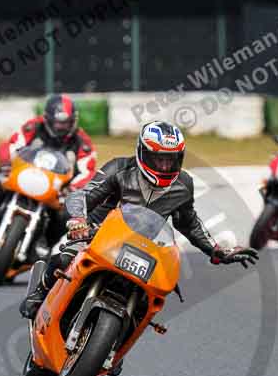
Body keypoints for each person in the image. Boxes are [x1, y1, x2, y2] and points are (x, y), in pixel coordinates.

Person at [20, 120, 259, 329]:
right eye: (158, 158)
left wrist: (217, 251)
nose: (165, 166)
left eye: (171, 159)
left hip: (145, 248)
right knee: (66, 257)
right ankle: (39, 293)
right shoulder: (120, 168)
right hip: (99, 235)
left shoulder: (183, 184)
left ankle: (115, 338)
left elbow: (188, 223)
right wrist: (79, 220)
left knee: (149, 299)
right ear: (142, 153)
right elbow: (82, 195)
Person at [0, 94, 97, 245]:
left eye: (66, 123)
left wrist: (73, 187)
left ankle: (46, 243)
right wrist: (5, 163)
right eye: (57, 123)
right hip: (26, 176)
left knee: (68, 213)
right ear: (47, 119)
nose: (62, 127)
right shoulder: (33, 126)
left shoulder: (82, 142)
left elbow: (88, 171)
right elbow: (11, 145)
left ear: (73, 121)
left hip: (58, 190)